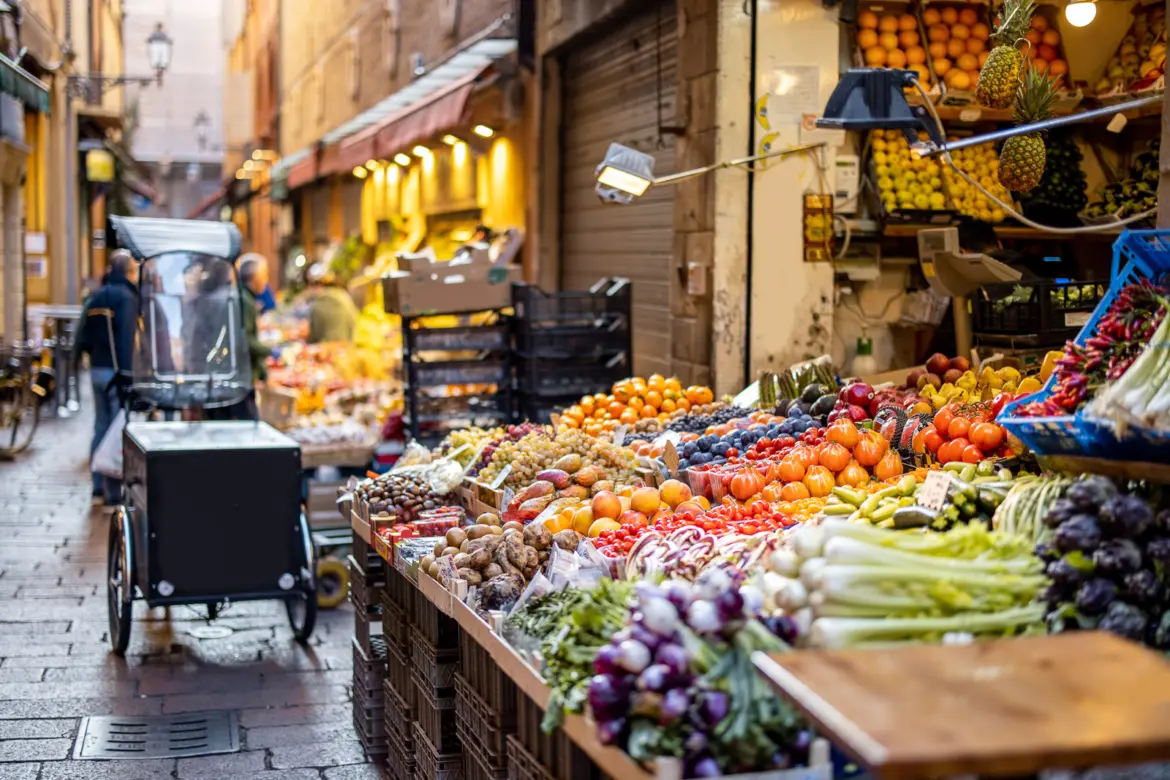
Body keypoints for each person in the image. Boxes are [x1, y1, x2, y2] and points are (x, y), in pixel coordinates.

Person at [74, 249, 139, 504]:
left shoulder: (97, 296)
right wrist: (127, 376)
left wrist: (85, 356)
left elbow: (83, 334)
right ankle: (114, 493)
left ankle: (98, 485)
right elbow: (125, 339)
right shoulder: (126, 297)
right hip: (115, 372)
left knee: (100, 426)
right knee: (117, 430)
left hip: (97, 370)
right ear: (129, 271)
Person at [207, 254, 269, 421]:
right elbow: (245, 340)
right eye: (264, 275)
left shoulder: (236, 295)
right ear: (255, 277)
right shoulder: (243, 299)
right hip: (238, 376)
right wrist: (270, 351)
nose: (266, 280)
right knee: (248, 426)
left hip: (227, 375)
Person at [305, 263, 358, 344]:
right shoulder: (344, 296)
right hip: (347, 346)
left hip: (328, 350)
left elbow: (313, 336)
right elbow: (354, 320)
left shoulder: (317, 304)